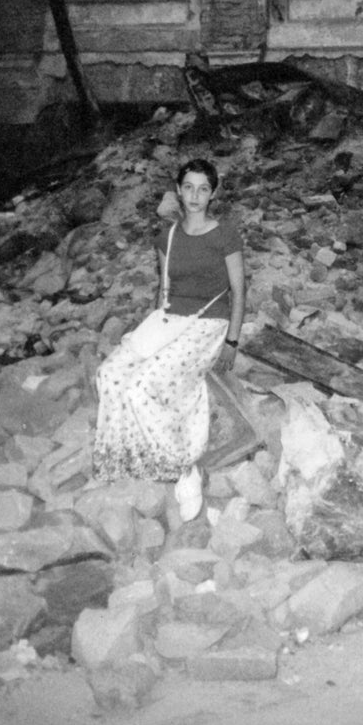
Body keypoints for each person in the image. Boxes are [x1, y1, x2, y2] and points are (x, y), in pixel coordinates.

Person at [93, 158, 245, 521]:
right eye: (188, 187)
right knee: (110, 376)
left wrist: (232, 342)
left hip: (208, 323)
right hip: (169, 319)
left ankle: (185, 467)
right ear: (178, 189)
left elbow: (239, 292)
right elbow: (162, 290)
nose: (195, 196)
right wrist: (146, 334)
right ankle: (125, 460)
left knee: (142, 386)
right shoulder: (168, 237)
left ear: (213, 193)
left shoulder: (225, 235)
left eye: (203, 189)